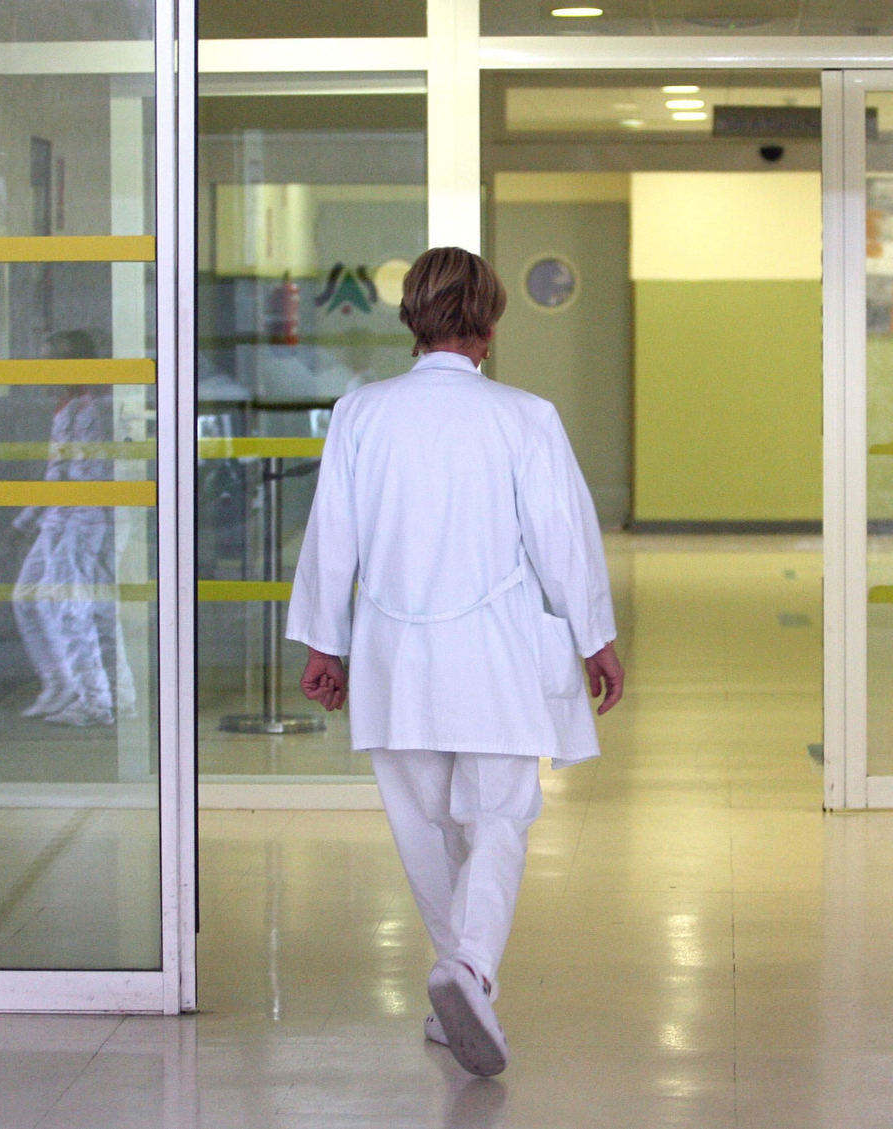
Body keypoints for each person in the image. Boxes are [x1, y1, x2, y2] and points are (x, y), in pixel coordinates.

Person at [285, 247, 625, 1077]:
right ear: (491, 324)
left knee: (423, 826)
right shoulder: (524, 416)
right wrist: (594, 635)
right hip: (493, 655)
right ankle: (468, 969)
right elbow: (563, 539)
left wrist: (324, 642)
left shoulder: (359, 413)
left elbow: (335, 539)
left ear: (411, 318)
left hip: (393, 655)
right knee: (498, 815)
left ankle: (458, 978)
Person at [12, 329, 135, 728]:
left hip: (83, 521)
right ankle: (70, 684)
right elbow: (60, 474)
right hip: (66, 519)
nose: (43, 370)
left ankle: (97, 701)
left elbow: (85, 480)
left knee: (74, 609)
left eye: (51, 361)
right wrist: (32, 519)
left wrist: (45, 525)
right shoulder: (70, 408)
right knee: (32, 597)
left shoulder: (91, 410)